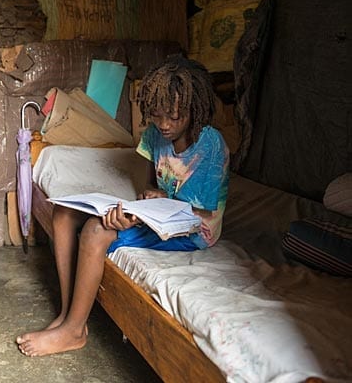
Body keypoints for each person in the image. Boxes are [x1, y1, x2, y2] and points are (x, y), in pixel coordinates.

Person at [16, 55, 230, 357]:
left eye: (175, 117)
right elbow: (145, 188)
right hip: (160, 214)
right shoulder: (156, 134)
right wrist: (139, 208)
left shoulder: (210, 146)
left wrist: (141, 215)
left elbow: (199, 214)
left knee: (95, 231)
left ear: (194, 110)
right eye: (157, 115)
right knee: (63, 213)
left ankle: (75, 332)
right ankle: (68, 316)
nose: (165, 125)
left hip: (193, 228)